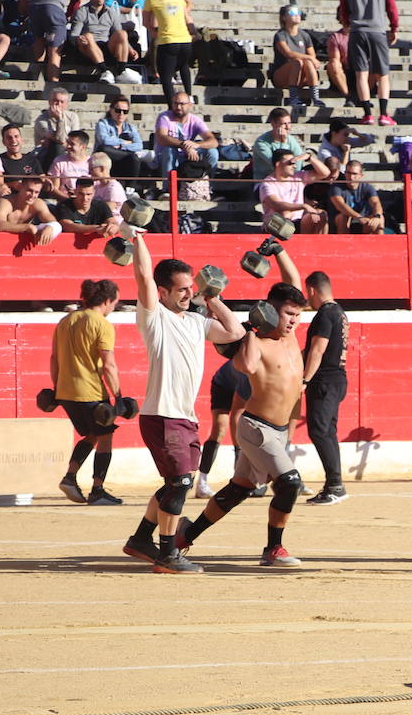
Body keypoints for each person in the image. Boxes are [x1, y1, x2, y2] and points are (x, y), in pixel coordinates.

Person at [119, 234, 245, 574]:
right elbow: (144, 275)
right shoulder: (154, 317)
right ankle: (167, 555)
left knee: (175, 483)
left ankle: (141, 540)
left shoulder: (196, 322)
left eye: (191, 288)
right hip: (162, 415)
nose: (189, 294)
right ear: (163, 293)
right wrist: (138, 238)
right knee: (181, 485)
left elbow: (235, 333)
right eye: (182, 289)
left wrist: (213, 299)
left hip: (183, 418)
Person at [176, 249, 308, 568]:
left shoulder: (290, 337)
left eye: (297, 315)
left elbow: (294, 283)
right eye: (289, 314)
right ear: (272, 313)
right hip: (256, 428)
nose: (294, 321)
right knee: (289, 482)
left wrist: (279, 251)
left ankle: (184, 536)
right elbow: (246, 365)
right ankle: (273, 549)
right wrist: (252, 328)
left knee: (238, 490)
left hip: (276, 432)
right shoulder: (257, 341)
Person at [50, 277, 123, 506]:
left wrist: (56, 389)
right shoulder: (101, 323)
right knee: (105, 437)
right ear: (108, 300)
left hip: (65, 391)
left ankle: (71, 478)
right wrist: (119, 396)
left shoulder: (65, 320)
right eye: (115, 303)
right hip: (90, 391)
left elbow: (54, 359)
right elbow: (108, 364)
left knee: (92, 435)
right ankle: (98, 489)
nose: (114, 308)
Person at [298, 271, 351, 505]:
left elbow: (317, 350)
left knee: (320, 431)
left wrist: (305, 380)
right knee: (327, 432)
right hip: (337, 378)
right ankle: (334, 484)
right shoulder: (340, 312)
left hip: (324, 380)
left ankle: (335, 485)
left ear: (311, 290)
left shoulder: (325, 314)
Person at [338, 0, 398, 125]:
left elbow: (344, 8)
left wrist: (347, 25)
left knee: (361, 74)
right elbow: (391, 5)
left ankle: (367, 114)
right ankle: (384, 114)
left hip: (358, 31)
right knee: (382, 74)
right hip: (377, 30)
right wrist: (394, 27)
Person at [142, 0, 194, 104]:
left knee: (165, 76)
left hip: (168, 41)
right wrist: (194, 33)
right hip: (185, 41)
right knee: (183, 65)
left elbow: (146, 22)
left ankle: (173, 107)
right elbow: (187, 16)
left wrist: (154, 33)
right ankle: (188, 97)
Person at [67, 0, 139, 83]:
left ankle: (122, 70)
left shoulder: (111, 12)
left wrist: (130, 49)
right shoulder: (82, 11)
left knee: (122, 33)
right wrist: (79, 39)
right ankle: (104, 70)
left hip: (106, 45)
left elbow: (118, 34)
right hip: (88, 47)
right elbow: (73, 36)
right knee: (88, 36)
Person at [23, 0, 79, 82]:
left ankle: (34, 84)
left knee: (38, 43)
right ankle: (52, 87)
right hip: (54, 10)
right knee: (55, 53)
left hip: (34, 10)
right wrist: (68, 14)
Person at [195, 357, 246, 499]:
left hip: (237, 383)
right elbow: (237, 415)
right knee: (219, 430)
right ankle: (202, 482)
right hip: (223, 384)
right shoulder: (248, 372)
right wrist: (239, 455)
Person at [260, 149, 332, 234]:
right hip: (275, 225)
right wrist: (303, 206)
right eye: (290, 163)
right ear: (278, 164)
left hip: (299, 222)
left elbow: (325, 173)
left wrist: (310, 158)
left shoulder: (298, 177)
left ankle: (316, 246)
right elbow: (276, 205)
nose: (294, 166)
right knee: (285, 214)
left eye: (295, 163)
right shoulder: (268, 183)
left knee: (321, 214)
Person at [154, 91, 218, 181]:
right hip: (166, 157)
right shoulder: (164, 117)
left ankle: (207, 183)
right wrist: (184, 145)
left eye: (182, 104)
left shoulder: (195, 120)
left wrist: (196, 145)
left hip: (187, 156)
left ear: (190, 105)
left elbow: (213, 141)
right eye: (175, 103)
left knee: (212, 152)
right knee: (169, 150)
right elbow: (161, 138)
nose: (178, 107)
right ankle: (168, 189)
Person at [272, 2, 322, 110]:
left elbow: (311, 55)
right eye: (292, 12)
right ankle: (293, 98)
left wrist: (310, 59)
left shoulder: (304, 35)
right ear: (284, 17)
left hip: (301, 75)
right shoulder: (280, 35)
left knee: (308, 63)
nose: (297, 15)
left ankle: (316, 98)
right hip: (282, 75)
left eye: (298, 12)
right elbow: (288, 54)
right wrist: (309, 58)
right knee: (297, 62)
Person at [0, 176, 60, 245]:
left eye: (36, 192)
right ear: (20, 187)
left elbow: (53, 222)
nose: (32, 196)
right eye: (29, 190)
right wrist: (27, 227)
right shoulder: (5, 202)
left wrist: (50, 227)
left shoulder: (38, 203)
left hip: (13, 246)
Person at [94, 95, 150, 180]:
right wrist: (125, 142)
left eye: (125, 111)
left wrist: (121, 146)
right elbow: (104, 140)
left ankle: (131, 188)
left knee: (134, 159)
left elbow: (139, 145)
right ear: (111, 110)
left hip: (124, 159)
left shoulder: (131, 128)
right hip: (107, 158)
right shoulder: (103, 123)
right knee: (104, 149)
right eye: (118, 110)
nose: (121, 114)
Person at [251, 107, 303, 183]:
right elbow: (278, 164)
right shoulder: (261, 142)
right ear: (273, 124)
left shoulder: (291, 139)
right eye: (284, 124)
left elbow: (299, 161)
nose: (288, 127)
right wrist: (283, 142)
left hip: (288, 180)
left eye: (289, 123)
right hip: (266, 182)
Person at [33, 84, 79, 170]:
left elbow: (75, 140)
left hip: (69, 152)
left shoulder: (73, 117)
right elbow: (59, 140)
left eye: (62, 102)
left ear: (66, 104)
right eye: (55, 101)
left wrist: (64, 142)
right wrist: (60, 119)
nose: (58, 104)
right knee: (57, 146)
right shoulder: (41, 120)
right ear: (49, 101)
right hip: (46, 155)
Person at [56, 176, 120, 236]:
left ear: (94, 193)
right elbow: (68, 226)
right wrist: (96, 228)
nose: (85, 198)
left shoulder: (101, 206)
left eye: (89, 194)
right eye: (81, 194)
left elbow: (113, 222)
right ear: (75, 192)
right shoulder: (64, 206)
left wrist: (112, 227)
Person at [47, 129, 92, 200]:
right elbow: (54, 189)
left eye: (72, 144)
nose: (68, 146)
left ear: (83, 147)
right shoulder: (59, 161)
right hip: (65, 201)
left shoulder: (91, 162)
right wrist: (70, 200)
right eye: (68, 143)